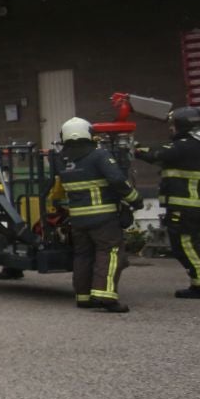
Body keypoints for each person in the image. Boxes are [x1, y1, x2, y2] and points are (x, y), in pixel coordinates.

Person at [52, 117, 141, 313]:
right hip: (104, 217)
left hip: (77, 219)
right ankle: (105, 296)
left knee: (83, 255)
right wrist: (135, 199)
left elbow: (57, 190)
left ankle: (83, 297)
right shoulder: (98, 155)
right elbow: (117, 180)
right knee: (110, 252)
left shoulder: (61, 159)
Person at [134, 106, 200, 300]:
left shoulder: (185, 145)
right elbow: (165, 155)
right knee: (190, 243)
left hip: (186, 206)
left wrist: (133, 148)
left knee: (185, 245)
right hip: (193, 205)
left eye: (174, 125)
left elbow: (157, 154)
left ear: (183, 125)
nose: (171, 129)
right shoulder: (199, 145)